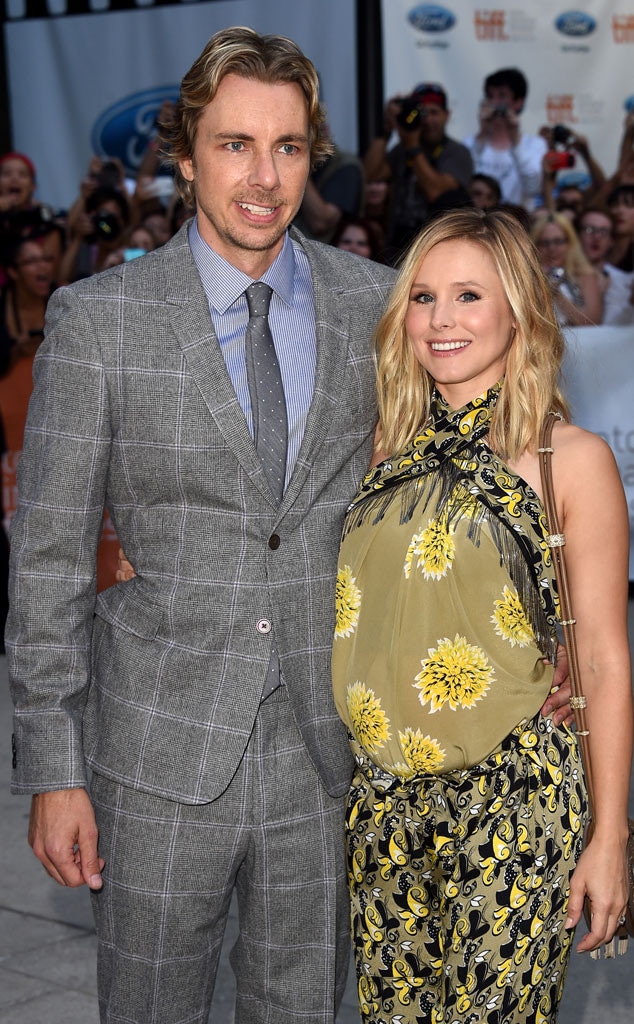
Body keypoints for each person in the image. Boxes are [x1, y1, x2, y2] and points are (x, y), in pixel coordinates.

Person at [8, 28, 573, 1024]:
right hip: (157, 753)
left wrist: (541, 635)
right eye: (234, 145)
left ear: (314, 157)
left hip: (329, 753)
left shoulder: (377, 305)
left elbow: (464, 477)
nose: (263, 177)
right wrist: (52, 768)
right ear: (185, 155)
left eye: (288, 147)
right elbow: (46, 560)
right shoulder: (102, 321)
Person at [332, 207, 633, 1023]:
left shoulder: (567, 458)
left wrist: (610, 839)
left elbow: (604, 660)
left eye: (469, 295)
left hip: (517, 805)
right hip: (386, 806)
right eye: (424, 297)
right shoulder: (381, 453)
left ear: (518, 310)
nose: (442, 320)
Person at [363, 82, 473, 263]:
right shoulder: (402, 148)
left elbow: (436, 192)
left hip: (438, 248)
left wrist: (413, 147)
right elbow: (370, 174)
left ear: (447, 115)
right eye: (423, 113)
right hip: (397, 247)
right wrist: (387, 130)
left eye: (434, 112)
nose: (428, 120)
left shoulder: (456, 152)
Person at [464, 67, 546, 211]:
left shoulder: (535, 145)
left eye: (502, 96)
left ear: (518, 102)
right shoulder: (470, 143)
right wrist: (482, 134)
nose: (495, 103)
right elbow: (464, 184)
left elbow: (533, 188)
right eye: (490, 96)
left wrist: (515, 140)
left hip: (517, 224)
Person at [531, 211, 603, 326]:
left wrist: (557, 294)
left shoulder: (585, 274)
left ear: (570, 243)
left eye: (558, 241)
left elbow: (592, 321)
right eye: (545, 243)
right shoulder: (529, 278)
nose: (552, 248)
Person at [576, 206, 634, 325]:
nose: (596, 237)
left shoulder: (623, 281)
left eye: (603, 232)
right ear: (576, 235)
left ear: (611, 241)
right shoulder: (560, 275)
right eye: (589, 229)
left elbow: (619, 328)